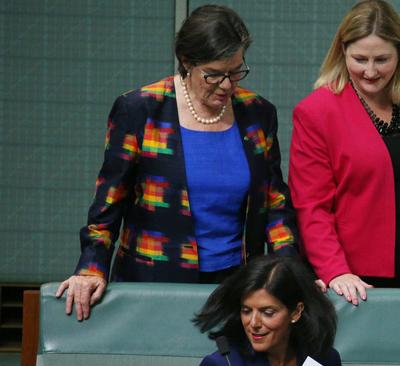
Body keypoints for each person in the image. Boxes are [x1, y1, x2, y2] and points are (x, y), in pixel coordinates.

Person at [55, 4, 298, 321]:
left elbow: (274, 202)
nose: (227, 85)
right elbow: (109, 201)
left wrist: (290, 271)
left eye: (236, 71)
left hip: (237, 284)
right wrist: (91, 266)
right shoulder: (141, 109)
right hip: (153, 281)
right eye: (213, 74)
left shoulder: (257, 112)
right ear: (187, 63)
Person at [289, 0, 400, 305]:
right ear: (341, 52)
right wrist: (336, 272)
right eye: (359, 59)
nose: (370, 71)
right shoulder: (317, 111)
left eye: (382, 59)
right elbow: (312, 207)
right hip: (355, 281)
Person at [194, 255, 340, 366]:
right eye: (246, 311)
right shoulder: (223, 363)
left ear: (296, 312)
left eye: (267, 312)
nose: (254, 323)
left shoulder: (324, 359)